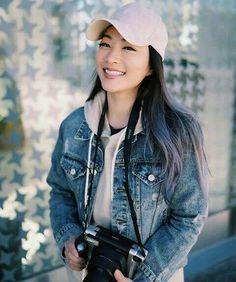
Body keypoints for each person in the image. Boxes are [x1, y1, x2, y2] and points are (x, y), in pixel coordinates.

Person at [47, 2, 208, 282]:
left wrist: (144, 275)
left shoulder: (178, 131)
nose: (111, 57)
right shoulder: (73, 126)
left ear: (151, 66)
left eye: (129, 48)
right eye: (105, 44)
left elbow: (189, 217)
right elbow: (60, 192)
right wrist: (68, 238)